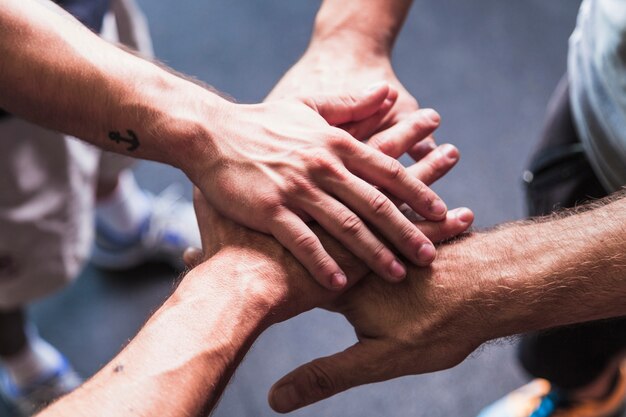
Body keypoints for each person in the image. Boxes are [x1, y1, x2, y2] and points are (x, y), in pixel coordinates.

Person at [0, 0, 449, 413]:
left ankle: (123, 226)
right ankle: (22, 364)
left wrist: (350, 41)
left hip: (82, 18)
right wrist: (211, 135)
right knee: (14, 269)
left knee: (106, 147)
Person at [268, 1, 626, 415]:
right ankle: (593, 393)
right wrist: (350, 38)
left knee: (568, 345)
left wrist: (483, 284)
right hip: (604, 95)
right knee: (571, 357)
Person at [31, 171, 626, 417]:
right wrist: (353, 33)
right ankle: (584, 389)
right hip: (601, 79)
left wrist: (496, 283)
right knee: (571, 352)